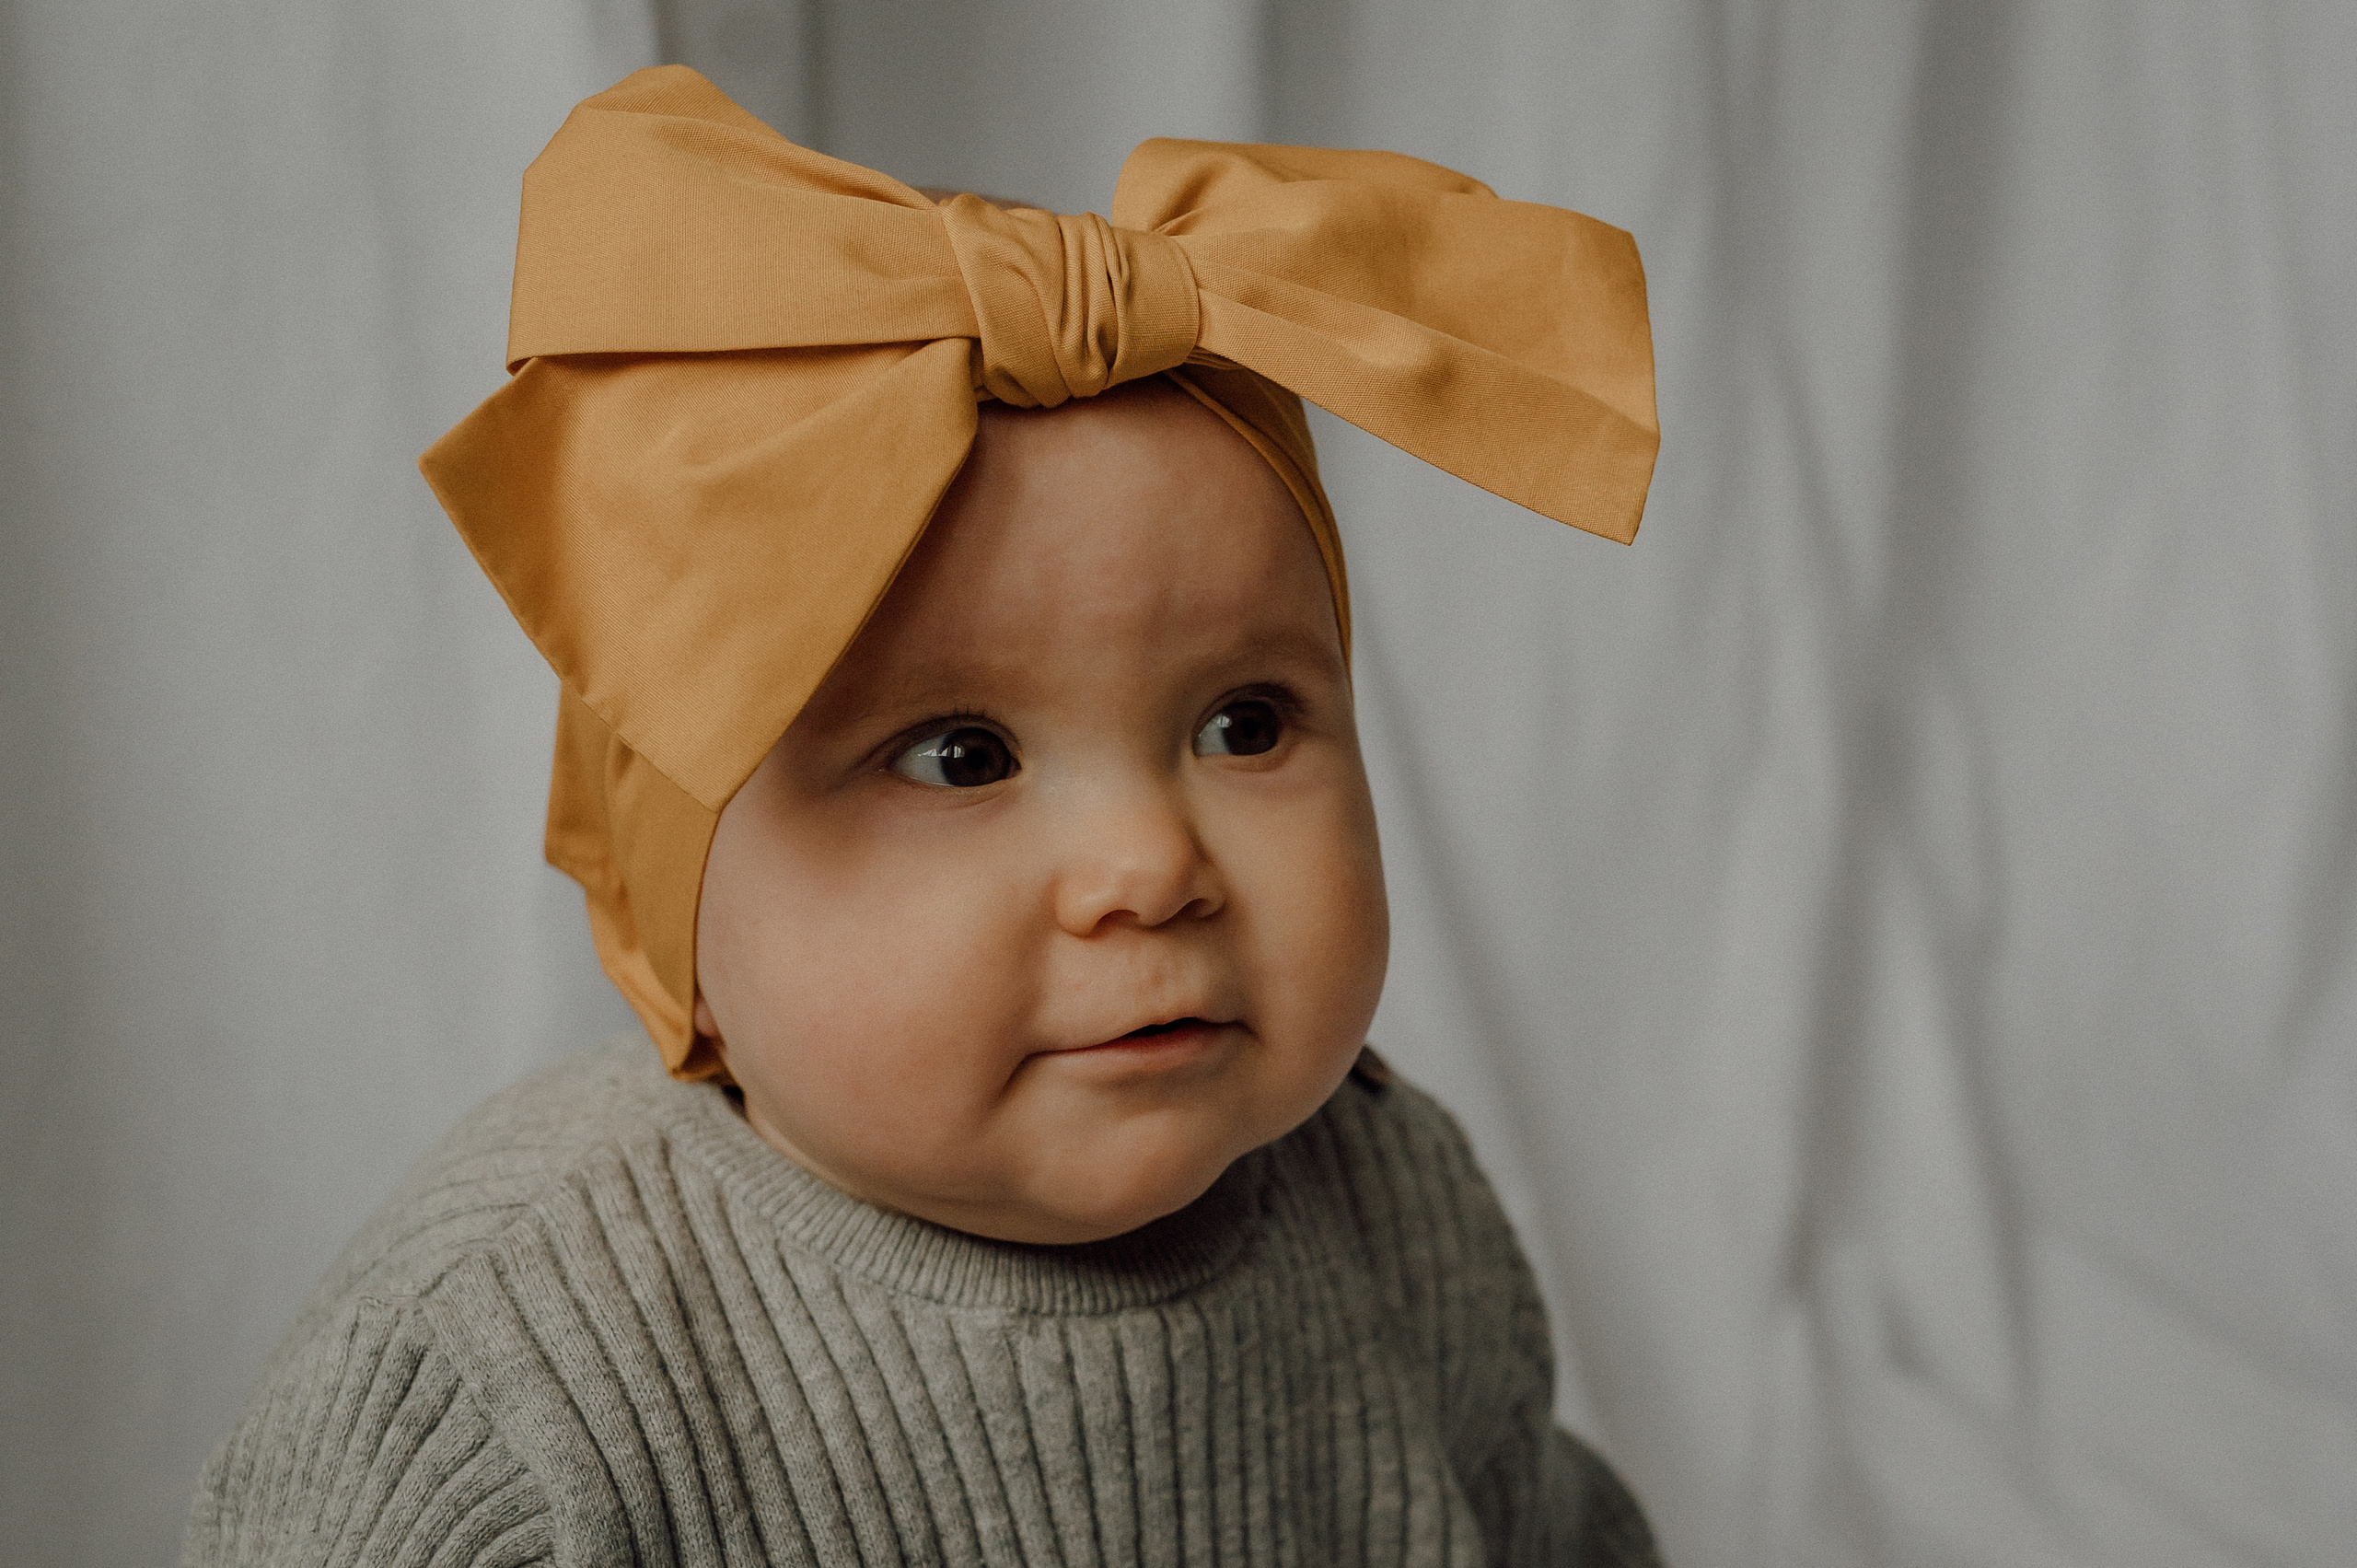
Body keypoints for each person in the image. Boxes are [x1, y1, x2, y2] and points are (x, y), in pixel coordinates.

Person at [184, 64, 1663, 1567]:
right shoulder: (502, 1371)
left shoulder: (1398, 1212)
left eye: (1246, 723)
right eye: (961, 757)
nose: (1152, 866)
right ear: (678, 890)